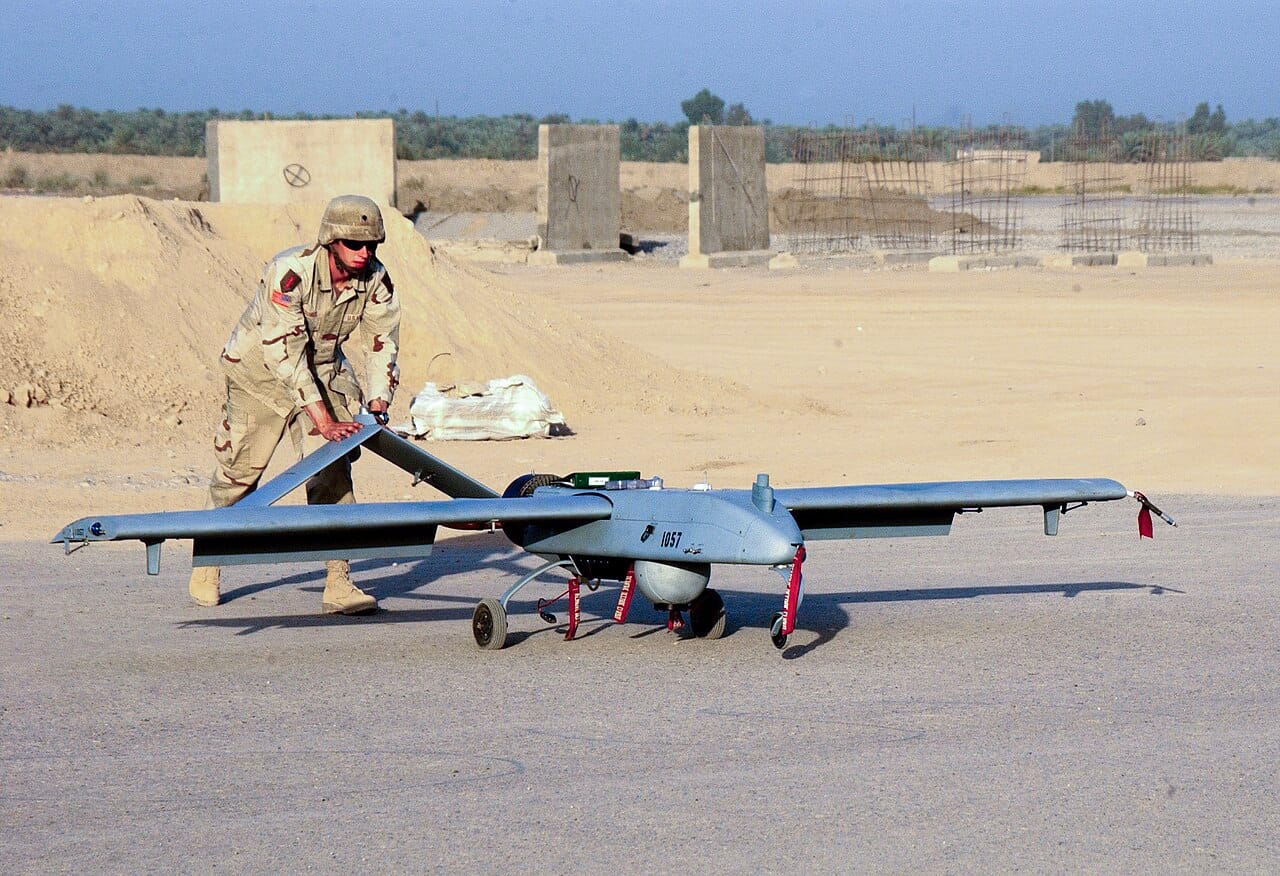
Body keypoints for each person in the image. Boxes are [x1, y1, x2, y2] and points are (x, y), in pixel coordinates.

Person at [188, 194, 401, 614]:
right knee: (238, 476)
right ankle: (208, 560)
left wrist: (377, 404)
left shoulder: (376, 280)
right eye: (354, 245)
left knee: (332, 473)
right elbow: (282, 352)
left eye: (371, 246)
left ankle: (338, 582)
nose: (364, 254)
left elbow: (382, 343)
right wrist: (321, 419)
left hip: (323, 372)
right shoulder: (290, 272)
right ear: (329, 240)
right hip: (260, 376)